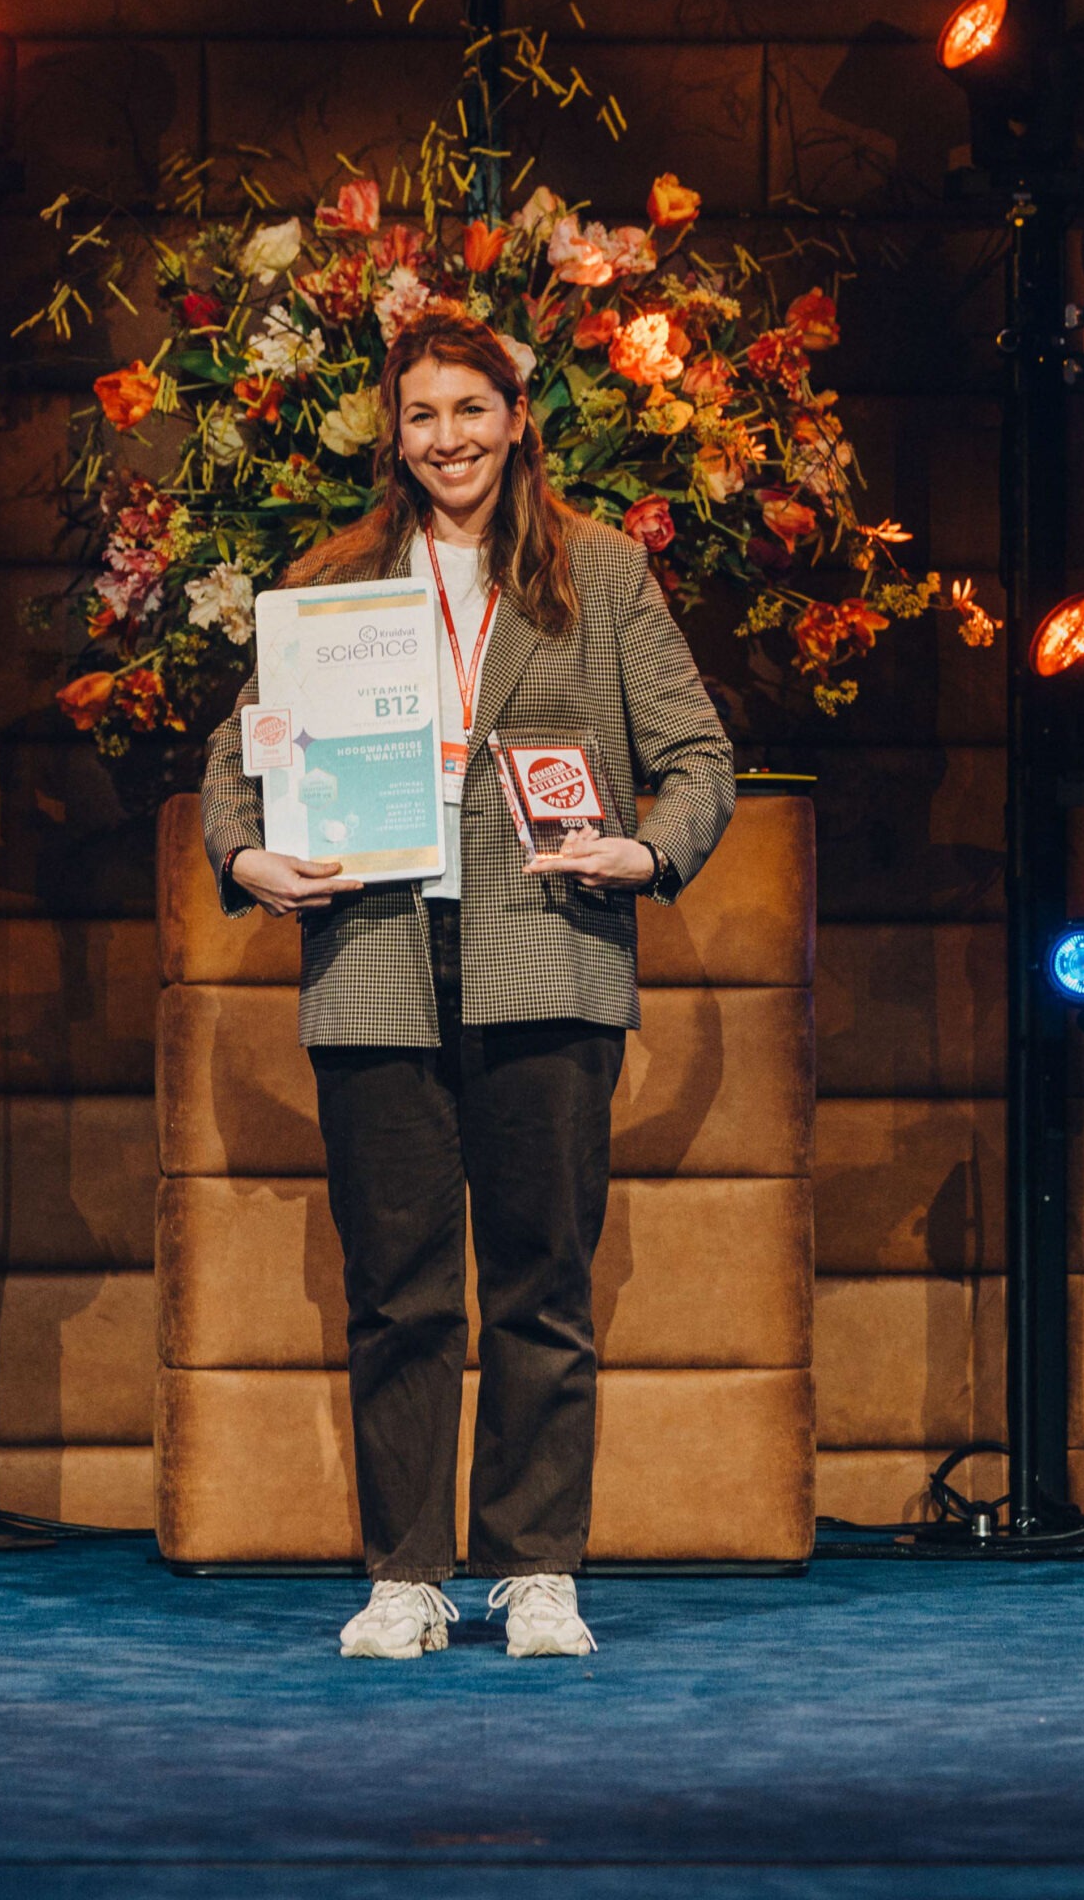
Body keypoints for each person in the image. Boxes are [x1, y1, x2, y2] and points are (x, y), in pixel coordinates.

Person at [201, 309, 735, 1659]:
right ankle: (405, 1575)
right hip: (375, 958)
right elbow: (236, 755)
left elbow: (702, 759)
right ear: (395, 434)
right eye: (423, 415)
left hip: (546, 952)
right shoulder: (334, 581)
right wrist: (248, 856)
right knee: (399, 1290)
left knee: (542, 1284)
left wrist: (645, 852)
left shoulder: (600, 574)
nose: (448, 439)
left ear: (516, 419)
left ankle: (536, 1568)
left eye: (470, 410)